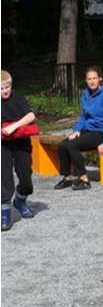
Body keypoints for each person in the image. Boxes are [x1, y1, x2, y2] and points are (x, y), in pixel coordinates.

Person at [54, 66, 103, 191]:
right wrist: (77, 130)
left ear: (100, 79)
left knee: (72, 146)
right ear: (86, 80)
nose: (92, 81)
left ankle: (84, 179)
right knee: (62, 145)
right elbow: (83, 116)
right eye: (89, 79)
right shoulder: (85, 95)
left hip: (100, 133)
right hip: (87, 131)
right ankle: (68, 177)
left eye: (94, 78)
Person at [1, 70, 37, 231]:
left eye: (7, 87)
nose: (5, 91)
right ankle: (5, 213)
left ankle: (20, 200)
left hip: (21, 141)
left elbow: (31, 116)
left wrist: (13, 126)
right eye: (1, 88)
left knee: (26, 178)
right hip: (3, 145)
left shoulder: (18, 98)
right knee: (5, 178)